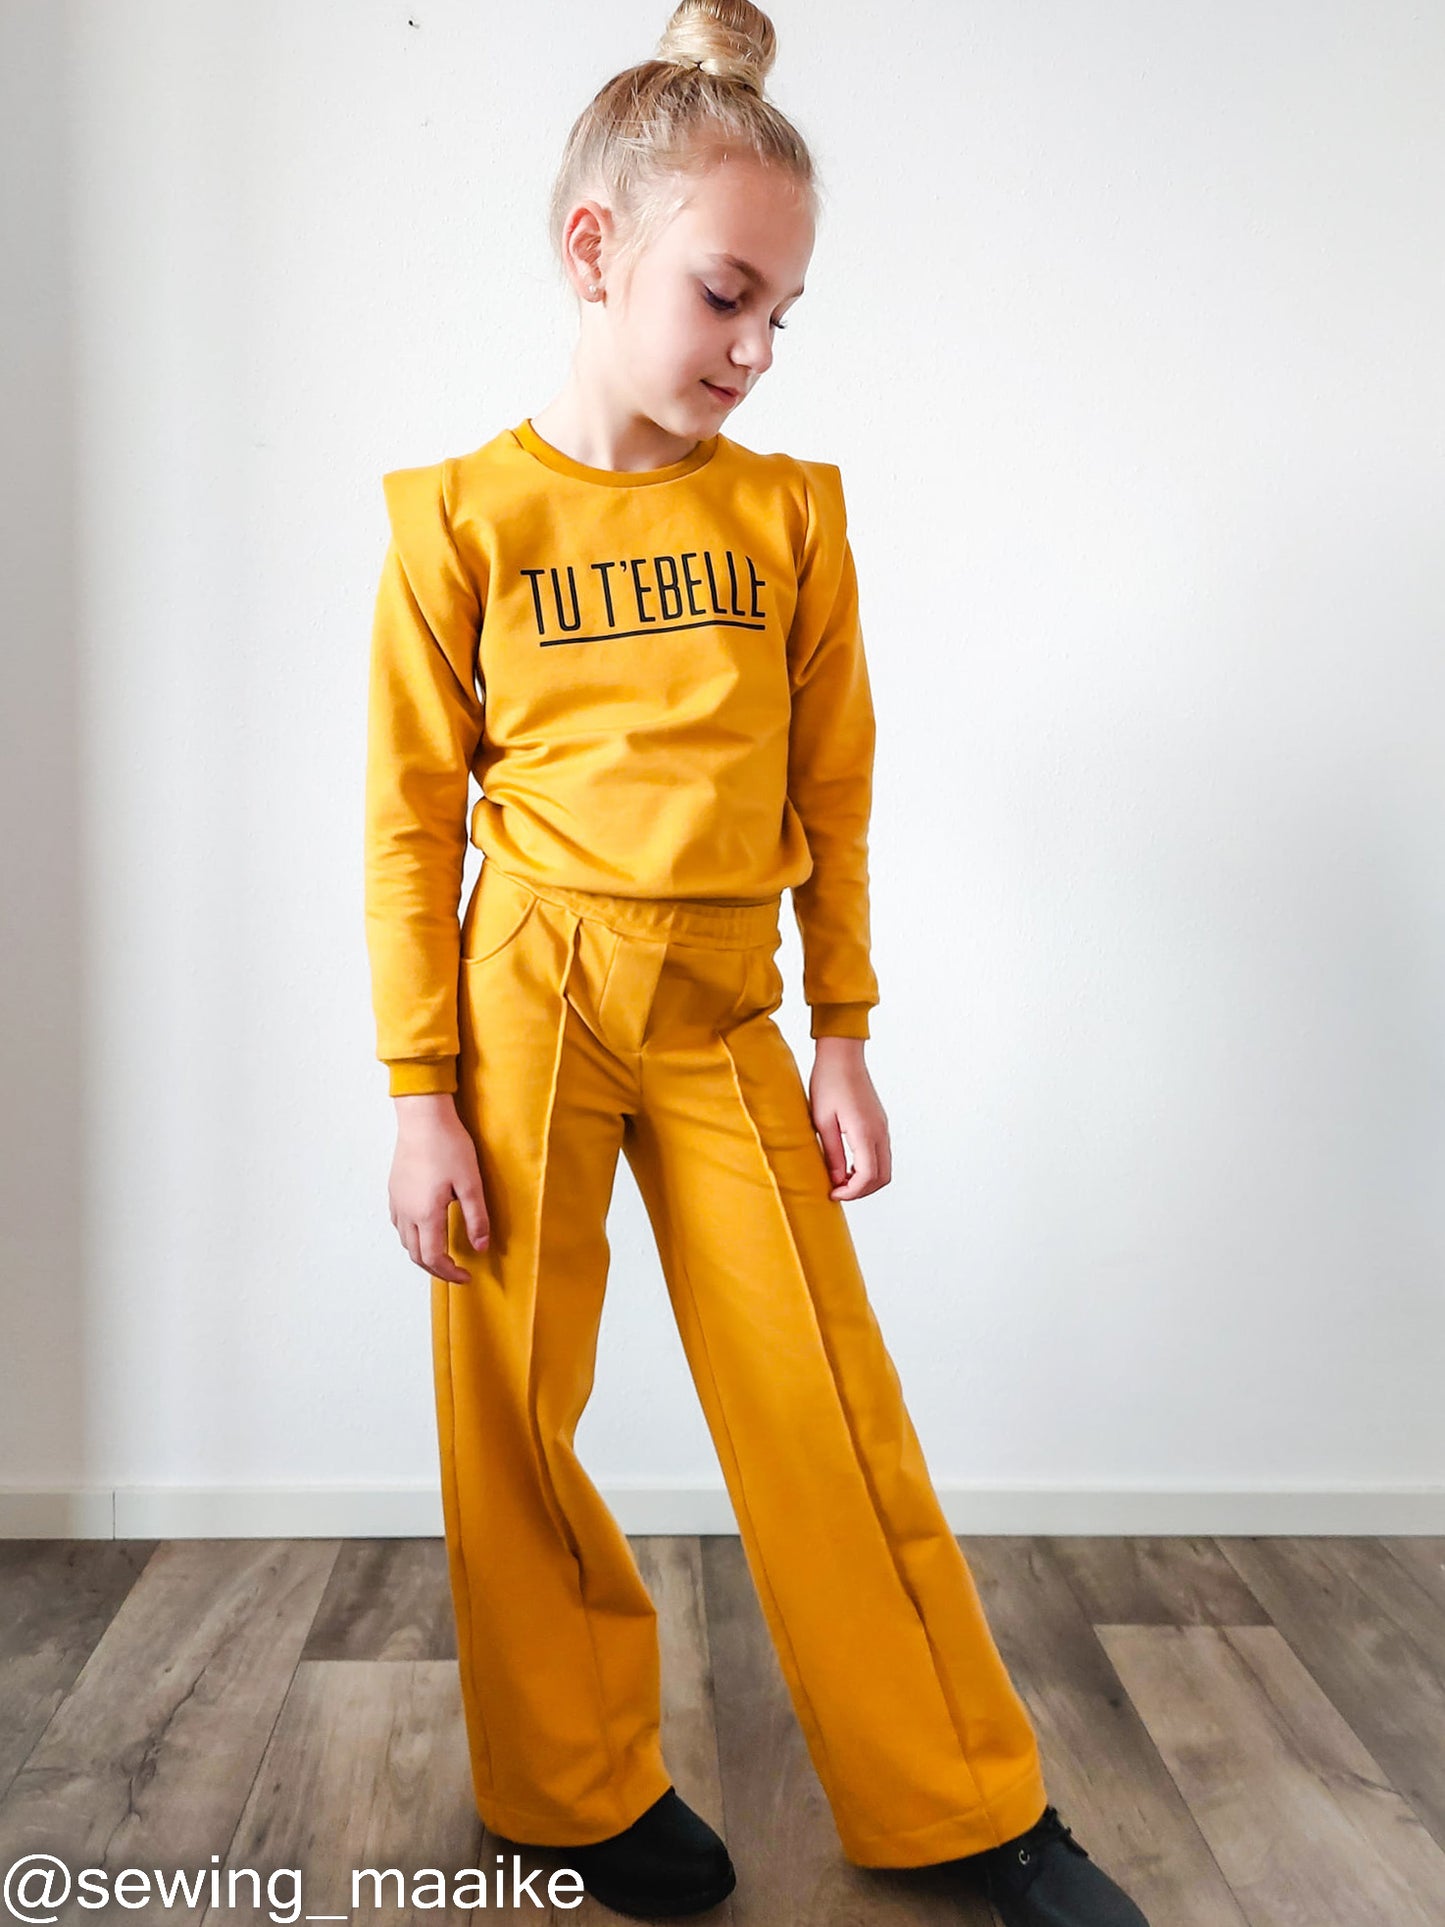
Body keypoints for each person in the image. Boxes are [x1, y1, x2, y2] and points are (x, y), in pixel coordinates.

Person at [363, 3, 1149, 1922]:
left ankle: (962, 1802)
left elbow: (833, 789)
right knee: (510, 1406)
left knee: (822, 1402)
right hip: (528, 994)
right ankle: (564, 1786)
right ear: (595, 249)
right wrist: (418, 1093)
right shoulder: (457, 521)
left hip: (721, 1005)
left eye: (784, 315)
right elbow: (406, 826)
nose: (755, 349)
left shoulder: (789, 515)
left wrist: (847, 1028)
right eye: (726, 296)